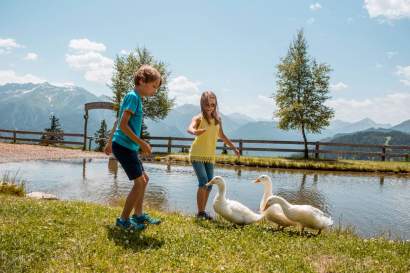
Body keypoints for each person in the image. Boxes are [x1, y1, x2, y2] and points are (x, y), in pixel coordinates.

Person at [104, 65, 162, 230]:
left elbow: (119, 121)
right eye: (154, 86)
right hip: (124, 147)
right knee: (139, 183)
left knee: (144, 179)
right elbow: (123, 125)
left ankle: (138, 216)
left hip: (128, 146)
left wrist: (109, 142)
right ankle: (123, 220)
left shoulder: (135, 98)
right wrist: (142, 143)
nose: (155, 91)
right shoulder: (133, 97)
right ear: (142, 81)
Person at [187, 91, 240, 220]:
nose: (210, 107)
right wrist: (195, 131)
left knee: (210, 184)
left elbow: (221, 135)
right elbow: (190, 128)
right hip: (197, 154)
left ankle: (202, 211)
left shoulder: (217, 119)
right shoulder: (198, 118)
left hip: (209, 156)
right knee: (203, 181)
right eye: (207, 104)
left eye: (212, 104)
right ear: (202, 104)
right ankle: (200, 213)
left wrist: (233, 148)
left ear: (215, 104)